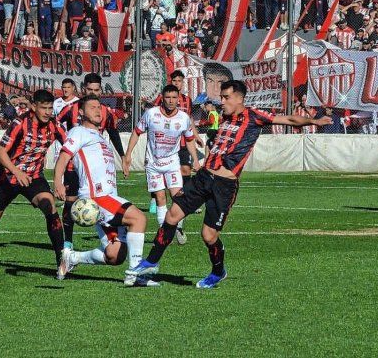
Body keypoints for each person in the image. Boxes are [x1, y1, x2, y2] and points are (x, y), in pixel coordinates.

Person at [126, 80, 332, 289]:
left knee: (208, 235)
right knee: (172, 215)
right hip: (204, 177)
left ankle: (218, 272)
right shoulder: (224, 116)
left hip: (224, 185)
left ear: (240, 99)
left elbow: (287, 118)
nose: (221, 101)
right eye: (221, 97)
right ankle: (151, 262)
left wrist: (314, 121)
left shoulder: (254, 116)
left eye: (226, 97)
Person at [53, 95, 158, 287]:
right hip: (97, 196)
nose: (98, 110)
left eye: (99, 107)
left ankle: (73, 258)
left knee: (114, 255)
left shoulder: (99, 136)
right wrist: (58, 182)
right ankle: (135, 275)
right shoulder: (79, 131)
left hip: (108, 195)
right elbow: (64, 156)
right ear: (81, 112)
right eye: (92, 107)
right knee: (139, 218)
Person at [0, 90, 68, 279]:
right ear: (33, 106)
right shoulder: (19, 123)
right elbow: (0, 152)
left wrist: (63, 178)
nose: (47, 112)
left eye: (50, 108)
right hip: (8, 178)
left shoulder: (55, 125)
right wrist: (16, 171)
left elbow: (70, 146)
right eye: (43, 108)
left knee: (49, 205)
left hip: (34, 178)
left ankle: (61, 258)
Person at [56, 73, 126, 252]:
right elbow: (55, 123)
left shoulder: (104, 112)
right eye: (89, 89)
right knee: (70, 203)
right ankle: (68, 242)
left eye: (96, 90)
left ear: (101, 90)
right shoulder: (72, 109)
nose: (93, 92)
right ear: (83, 89)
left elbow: (113, 133)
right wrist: (67, 140)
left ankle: (110, 241)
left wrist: (123, 156)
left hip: (94, 169)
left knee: (103, 202)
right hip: (73, 165)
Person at [124, 84, 200, 246]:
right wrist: (128, 154)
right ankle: (163, 233)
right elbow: (136, 132)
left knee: (178, 197)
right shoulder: (151, 114)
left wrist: (195, 159)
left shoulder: (183, 118)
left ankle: (178, 226)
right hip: (153, 163)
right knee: (160, 197)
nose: (171, 101)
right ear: (162, 98)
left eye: (174, 98)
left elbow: (190, 139)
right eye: (168, 97)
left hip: (172, 163)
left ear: (178, 98)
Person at [149, 70, 204, 219]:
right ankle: (155, 198)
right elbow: (154, 113)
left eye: (179, 81)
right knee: (161, 171)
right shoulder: (164, 98)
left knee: (186, 170)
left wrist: (196, 135)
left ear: (182, 83)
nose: (177, 83)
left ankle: (185, 201)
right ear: (171, 82)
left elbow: (189, 119)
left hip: (183, 141)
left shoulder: (187, 100)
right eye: (174, 81)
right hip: (164, 143)